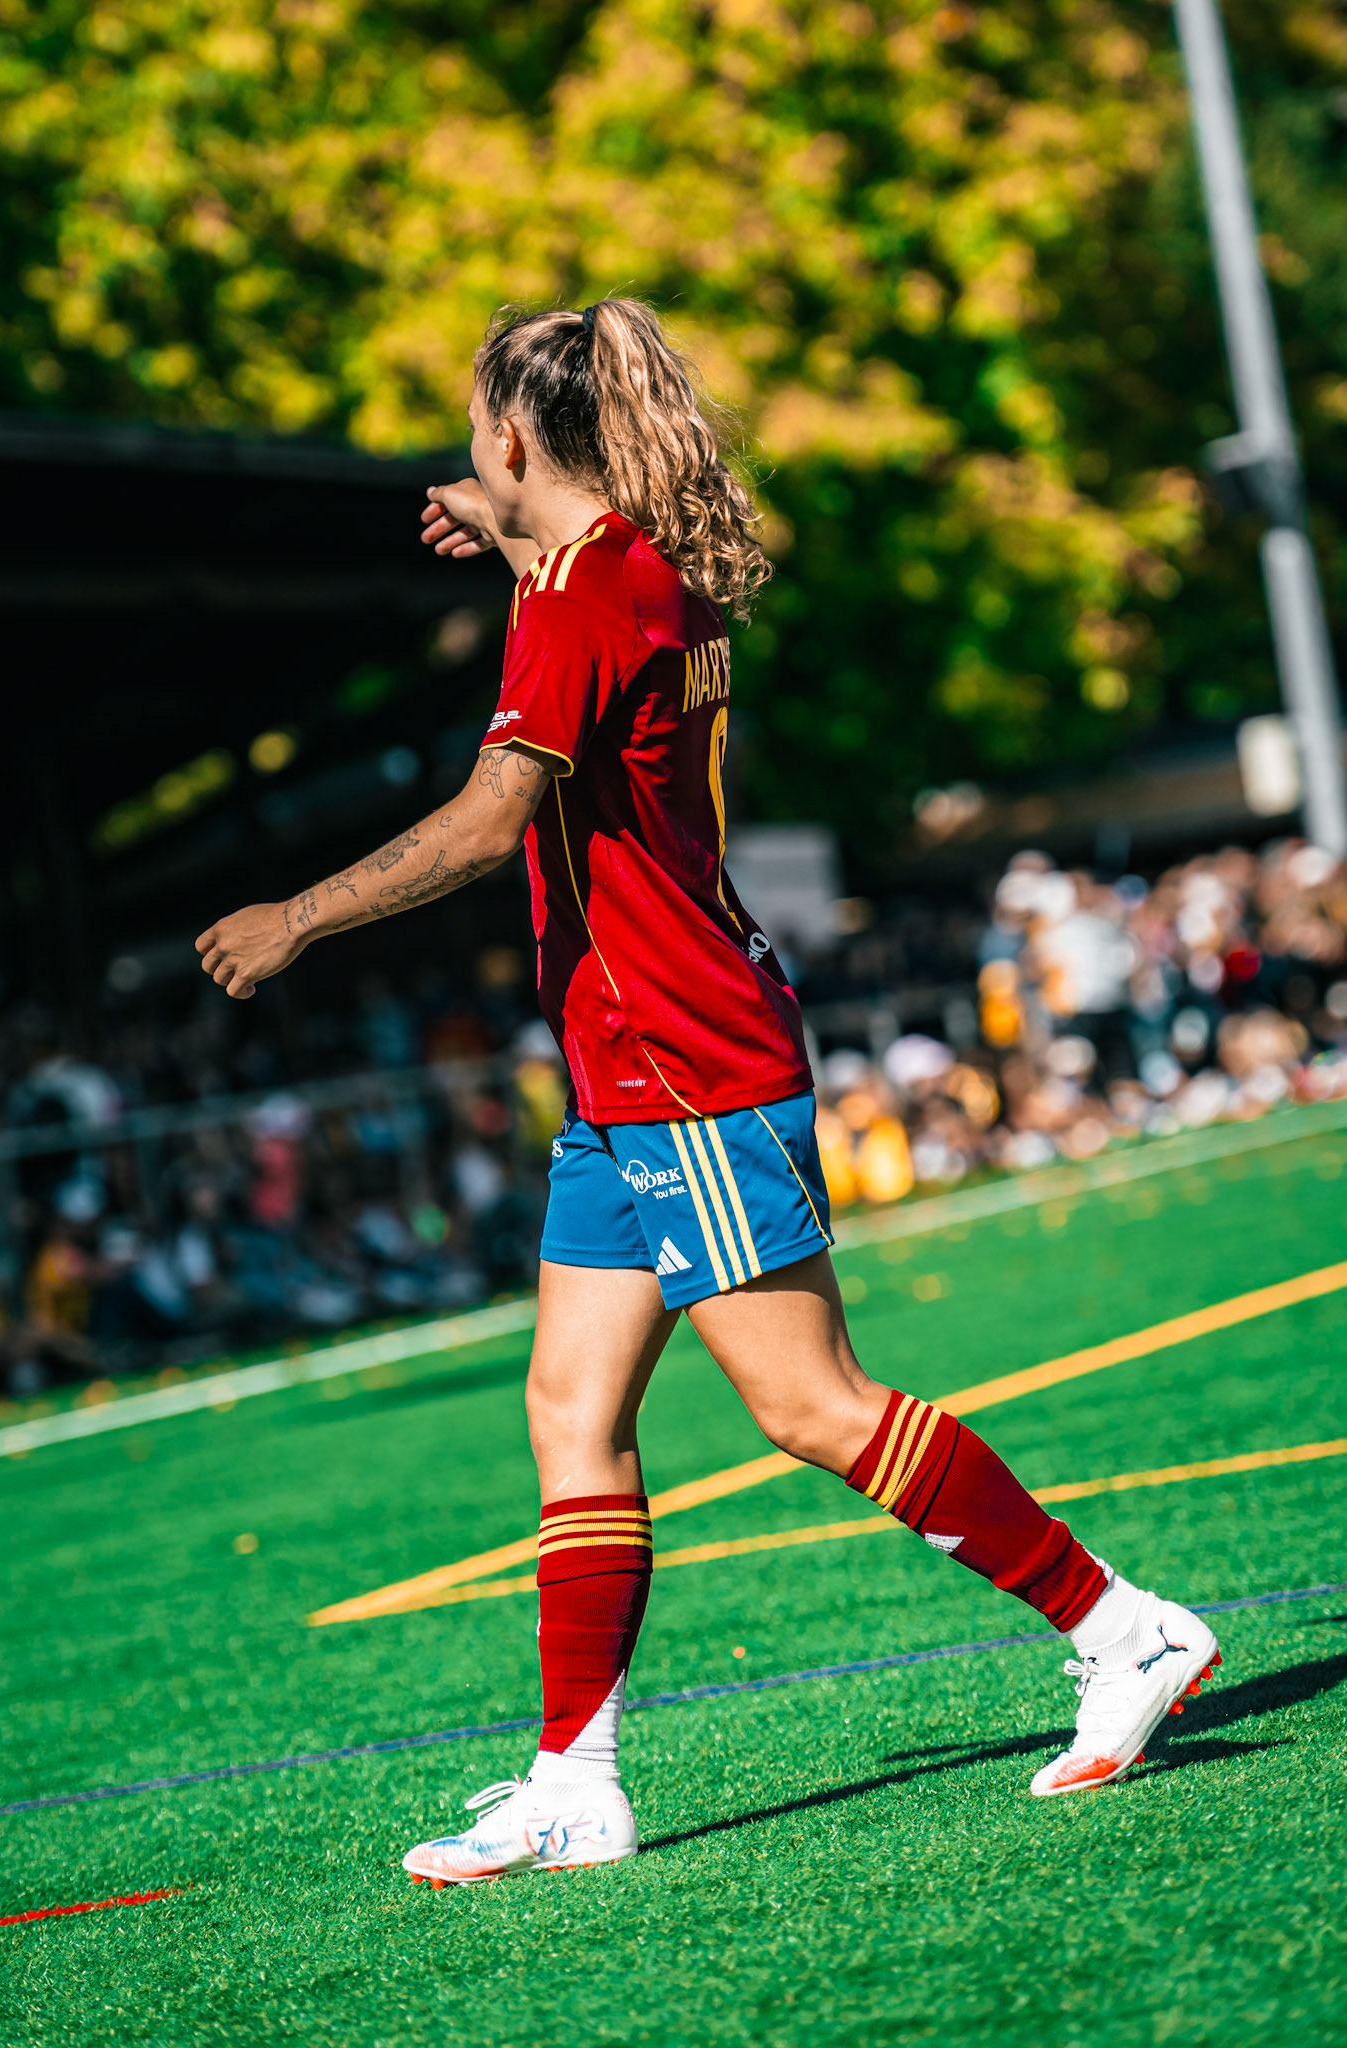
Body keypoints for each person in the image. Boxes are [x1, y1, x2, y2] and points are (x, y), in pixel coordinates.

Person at [196, 297, 1220, 1888]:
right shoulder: (605, 569)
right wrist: (490, 515)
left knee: (808, 1403)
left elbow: (482, 827)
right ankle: (571, 1782)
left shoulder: (579, 605)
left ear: (517, 435)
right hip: (631, 1069)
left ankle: (1122, 1626)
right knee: (568, 1408)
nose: (466, 453)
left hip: (685, 1065)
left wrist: (295, 918)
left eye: (477, 433)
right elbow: (569, 590)